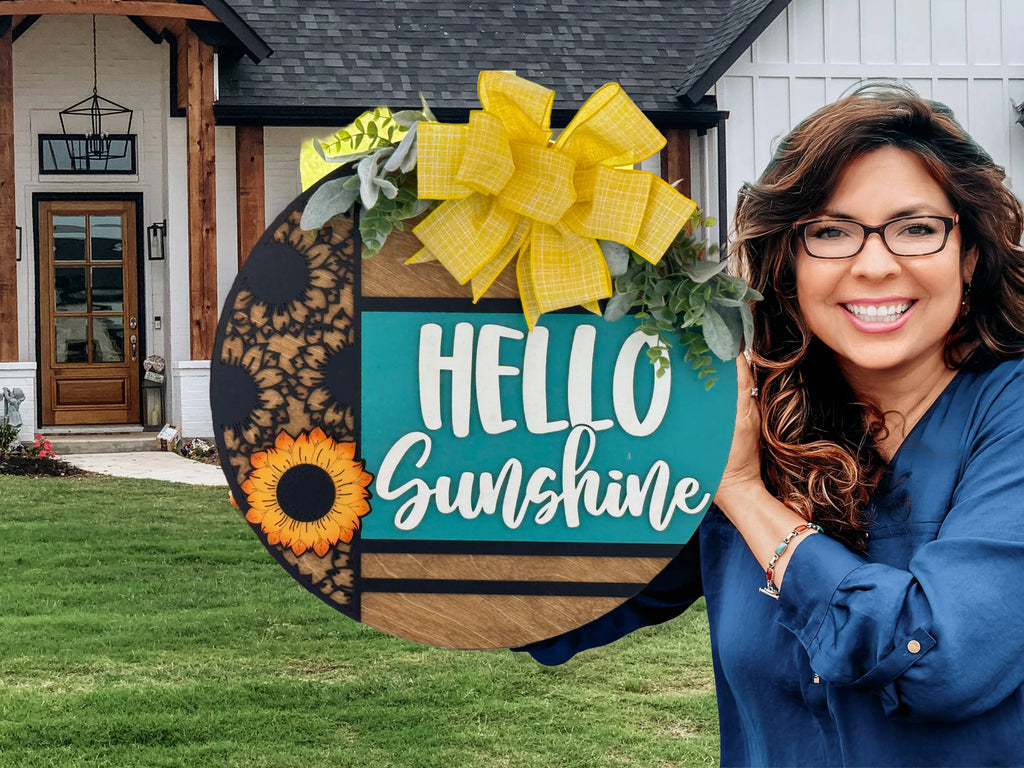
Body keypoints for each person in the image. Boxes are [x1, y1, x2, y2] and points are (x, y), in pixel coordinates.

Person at [517, 83, 1024, 767]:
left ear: (968, 256)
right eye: (832, 232)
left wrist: (745, 494)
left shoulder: (1007, 415)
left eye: (916, 228)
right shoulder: (756, 412)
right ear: (789, 264)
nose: (874, 264)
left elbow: (939, 661)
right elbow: (561, 605)